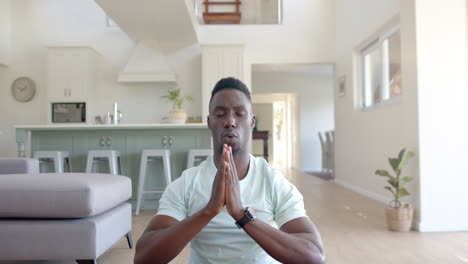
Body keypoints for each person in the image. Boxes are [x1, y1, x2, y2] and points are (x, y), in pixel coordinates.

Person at [134, 77, 325, 264]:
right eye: (220, 114)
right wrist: (208, 210)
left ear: (252, 122)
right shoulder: (188, 183)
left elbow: (314, 255)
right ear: (209, 122)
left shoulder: (272, 181)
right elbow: (143, 257)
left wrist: (242, 216)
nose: (230, 121)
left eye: (240, 113)